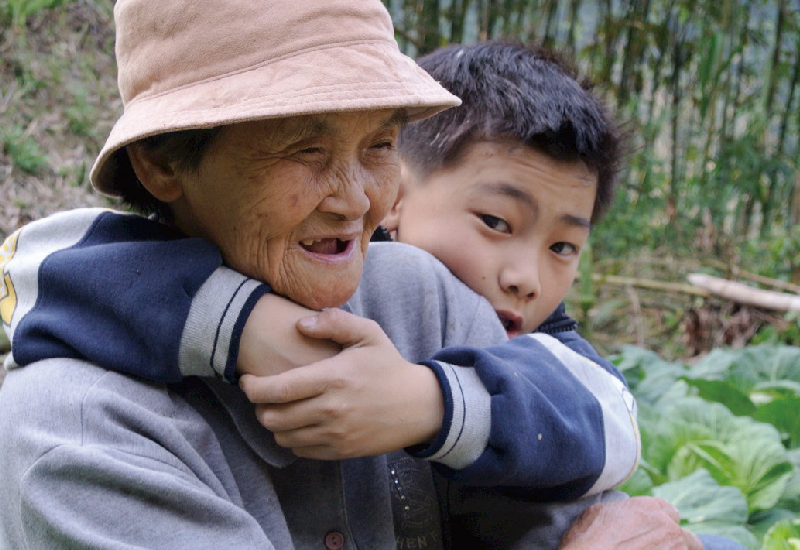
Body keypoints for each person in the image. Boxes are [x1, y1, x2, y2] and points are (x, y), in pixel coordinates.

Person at [0, 5, 738, 543]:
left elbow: (578, 483)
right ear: (163, 161)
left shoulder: (421, 299)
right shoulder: (73, 434)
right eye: (305, 150)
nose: (357, 200)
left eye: (380, 144)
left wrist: (432, 404)